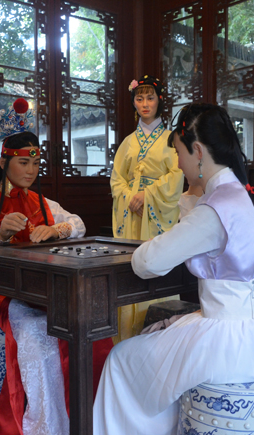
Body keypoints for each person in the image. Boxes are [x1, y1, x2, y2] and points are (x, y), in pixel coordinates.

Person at [93, 103, 254, 435]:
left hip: (225, 342)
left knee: (121, 358)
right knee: (155, 351)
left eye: (179, 153)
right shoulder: (239, 195)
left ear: (197, 151)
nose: (178, 163)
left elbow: (147, 262)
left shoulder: (213, 211)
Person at [0, 123, 113, 435]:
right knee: (35, 334)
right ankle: (50, 432)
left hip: (45, 290)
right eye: (23, 162)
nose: (30, 170)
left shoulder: (42, 202)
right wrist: (0, 235)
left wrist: (56, 229)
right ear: (3, 162)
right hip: (4, 293)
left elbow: (78, 224)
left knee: (90, 328)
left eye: (35, 163)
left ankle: (92, 423)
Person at [110, 75, 184, 341]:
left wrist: (148, 195)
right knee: (129, 266)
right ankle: (125, 338)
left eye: (150, 98)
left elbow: (177, 174)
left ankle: (159, 338)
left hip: (155, 216)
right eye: (139, 98)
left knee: (155, 264)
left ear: (159, 101)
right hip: (131, 214)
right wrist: (131, 197)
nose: (144, 104)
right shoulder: (128, 142)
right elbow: (117, 178)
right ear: (134, 102)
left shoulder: (171, 140)